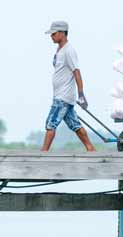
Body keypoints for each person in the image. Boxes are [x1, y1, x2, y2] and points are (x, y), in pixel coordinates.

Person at [41, 21, 95, 151]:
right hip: (62, 95)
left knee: (51, 123)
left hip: (63, 96)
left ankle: (43, 153)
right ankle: (91, 149)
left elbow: (76, 72)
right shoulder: (60, 49)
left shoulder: (69, 50)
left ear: (62, 33)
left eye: (53, 34)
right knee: (75, 124)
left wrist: (81, 94)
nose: (51, 37)